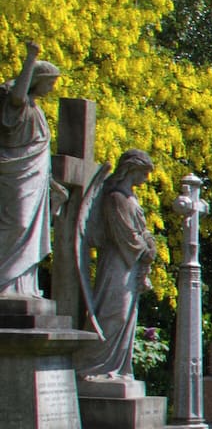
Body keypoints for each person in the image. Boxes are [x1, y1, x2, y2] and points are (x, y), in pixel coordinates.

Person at [76, 150, 157, 379]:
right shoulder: (115, 199)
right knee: (115, 313)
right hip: (117, 263)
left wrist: (150, 243)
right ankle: (91, 365)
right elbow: (126, 235)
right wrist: (145, 249)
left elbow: (142, 230)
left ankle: (115, 368)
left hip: (130, 265)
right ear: (131, 169)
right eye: (144, 173)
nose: (146, 179)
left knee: (128, 315)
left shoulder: (131, 198)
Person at [0, 41, 57, 296]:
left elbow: (42, 156)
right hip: (15, 174)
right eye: (49, 82)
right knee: (19, 223)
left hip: (35, 178)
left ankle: (21, 284)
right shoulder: (19, 105)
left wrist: (52, 183)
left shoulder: (39, 111)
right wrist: (30, 59)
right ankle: (4, 281)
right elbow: (16, 96)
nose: (52, 87)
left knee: (31, 228)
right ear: (36, 80)